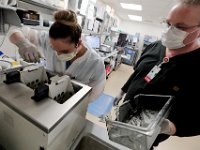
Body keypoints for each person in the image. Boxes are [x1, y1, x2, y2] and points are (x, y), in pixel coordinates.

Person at [114, 0, 200, 148]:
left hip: (145, 139)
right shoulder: (155, 46)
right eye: (168, 24)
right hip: (121, 122)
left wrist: (172, 127)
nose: (169, 31)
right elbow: (139, 74)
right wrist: (122, 91)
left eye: (180, 27)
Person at [9, 10, 106, 102]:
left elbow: (94, 95)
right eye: (54, 49)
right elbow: (14, 31)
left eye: (64, 51)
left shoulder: (95, 63)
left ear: (79, 43)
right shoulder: (47, 40)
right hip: (47, 97)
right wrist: (23, 44)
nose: (58, 55)